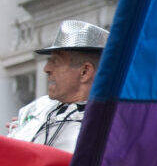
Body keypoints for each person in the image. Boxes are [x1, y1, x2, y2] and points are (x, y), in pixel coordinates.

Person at [6, 20, 109, 152]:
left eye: (56, 61)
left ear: (85, 72)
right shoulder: (36, 108)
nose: (47, 68)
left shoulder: (106, 125)